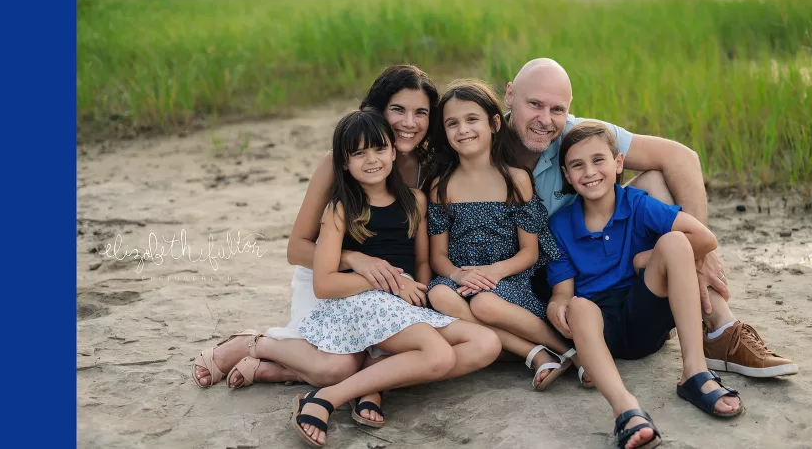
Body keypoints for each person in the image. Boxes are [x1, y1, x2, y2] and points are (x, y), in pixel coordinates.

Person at [193, 66, 498, 425]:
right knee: (337, 365)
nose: (409, 123)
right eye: (398, 110)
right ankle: (259, 345)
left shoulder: (428, 169)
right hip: (334, 276)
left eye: (421, 113)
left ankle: (336, 379)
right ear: (378, 111)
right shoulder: (339, 165)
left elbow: (421, 250)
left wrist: (417, 286)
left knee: (361, 363)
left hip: (399, 291)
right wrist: (356, 259)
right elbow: (298, 249)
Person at [506, 58, 798, 379]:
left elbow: (681, 157)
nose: (545, 120)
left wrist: (696, 253)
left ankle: (720, 329)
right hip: (540, 275)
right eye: (534, 104)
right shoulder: (480, 140)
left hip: (598, 258)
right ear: (509, 96)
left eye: (557, 109)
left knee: (655, 182)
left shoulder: (577, 137)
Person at [292, 109, 500, 447]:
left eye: (378, 149)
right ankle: (327, 398)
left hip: (404, 304)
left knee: (486, 343)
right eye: (358, 153)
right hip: (361, 303)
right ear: (344, 163)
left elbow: (421, 260)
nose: (371, 159)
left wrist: (419, 293)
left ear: (393, 151)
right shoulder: (340, 208)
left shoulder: (415, 201)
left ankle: (375, 382)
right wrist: (385, 281)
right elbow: (324, 283)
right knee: (439, 355)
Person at [548, 122, 745, 449]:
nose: (590, 172)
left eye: (599, 160)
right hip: (600, 329)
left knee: (676, 243)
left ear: (618, 163)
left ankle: (694, 373)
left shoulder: (636, 203)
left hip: (644, 314)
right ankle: (626, 409)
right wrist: (557, 307)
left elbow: (705, 238)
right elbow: (562, 293)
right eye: (577, 165)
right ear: (567, 176)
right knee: (579, 306)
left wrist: (643, 260)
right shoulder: (560, 224)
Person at [424, 80, 582, 391]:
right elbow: (437, 256)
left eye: (472, 120)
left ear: (495, 123)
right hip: (461, 280)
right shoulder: (441, 186)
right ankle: (537, 354)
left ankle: (568, 351)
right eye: (452, 123)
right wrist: (458, 275)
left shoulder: (515, 179)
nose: (462, 130)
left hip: (508, 279)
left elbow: (530, 253)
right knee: (438, 294)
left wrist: (492, 273)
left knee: (484, 304)